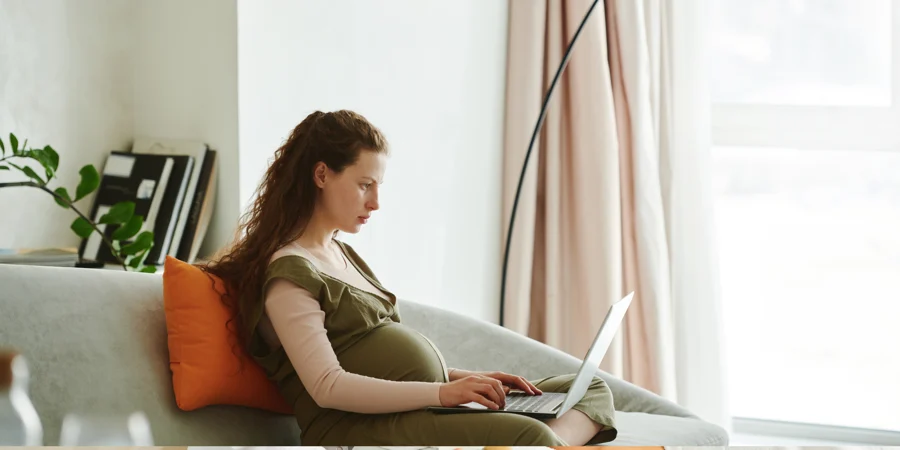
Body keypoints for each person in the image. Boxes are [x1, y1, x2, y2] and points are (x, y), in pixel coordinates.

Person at [200, 110, 617, 445]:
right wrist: (443, 393)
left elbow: (388, 363)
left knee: (589, 388)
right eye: (365, 185)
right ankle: (541, 444)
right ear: (322, 175)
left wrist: (467, 379)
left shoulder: (343, 254)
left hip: (420, 404)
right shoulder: (289, 273)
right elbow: (328, 385)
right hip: (355, 427)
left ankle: (547, 447)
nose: (376, 203)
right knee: (530, 432)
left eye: (378, 187)